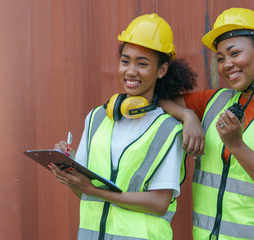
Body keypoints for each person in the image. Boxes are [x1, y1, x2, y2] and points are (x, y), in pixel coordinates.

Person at [159, 8, 254, 240]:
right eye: (220, 58)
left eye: (234, 53)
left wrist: (237, 145)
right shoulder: (213, 101)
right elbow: (159, 100)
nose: (227, 64)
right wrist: (187, 115)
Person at [48, 13, 197, 240]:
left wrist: (94, 190)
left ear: (162, 70)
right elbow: (83, 193)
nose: (130, 71)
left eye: (142, 64)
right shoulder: (97, 118)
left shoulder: (168, 130)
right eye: (125, 61)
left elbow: (159, 203)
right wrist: (71, 175)